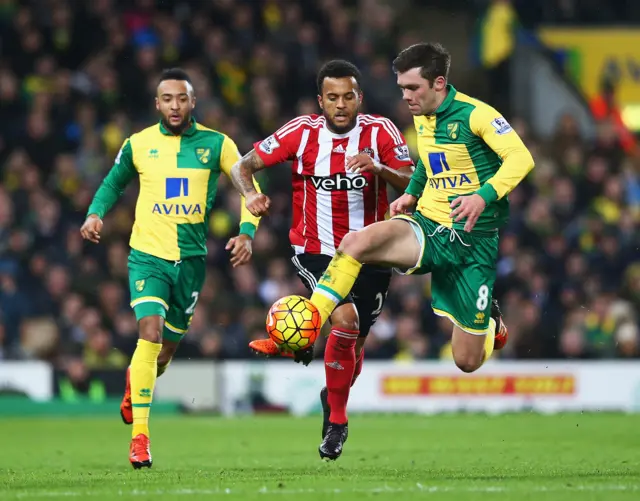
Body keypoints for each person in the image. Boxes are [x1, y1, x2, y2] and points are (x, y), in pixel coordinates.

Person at [252, 43, 535, 459]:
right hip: (429, 226)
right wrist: (413, 194)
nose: (405, 96)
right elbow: (429, 162)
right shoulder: (424, 116)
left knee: (467, 361)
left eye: (412, 87)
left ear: (438, 83)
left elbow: (521, 158)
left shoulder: (478, 115)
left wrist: (482, 196)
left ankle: (489, 322)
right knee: (357, 242)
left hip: (473, 241)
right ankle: (307, 324)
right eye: (402, 87)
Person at [229, 60, 415, 460]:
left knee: (354, 347)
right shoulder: (301, 132)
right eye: (332, 98)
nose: (341, 104)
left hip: (373, 250)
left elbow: (413, 182)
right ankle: (337, 422)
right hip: (316, 248)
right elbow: (241, 165)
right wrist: (249, 194)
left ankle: (330, 390)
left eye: (348, 96)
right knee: (344, 322)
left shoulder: (380, 131)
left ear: (359, 98)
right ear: (321, 101)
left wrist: (379, 167)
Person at [80, 68, 262, 469]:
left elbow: (249, 187)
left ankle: (138, 379)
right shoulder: (138, 144)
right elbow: (113, 182)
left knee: (164, 353)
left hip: (192, 262)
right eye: (168, 99)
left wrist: (247, 233)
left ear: (193, 102)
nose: (175, 106)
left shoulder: (217, 144)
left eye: (182, 98)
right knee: (150, 331)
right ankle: (140, 438)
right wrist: (95, 214)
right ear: (157, 103)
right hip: (148, 255)